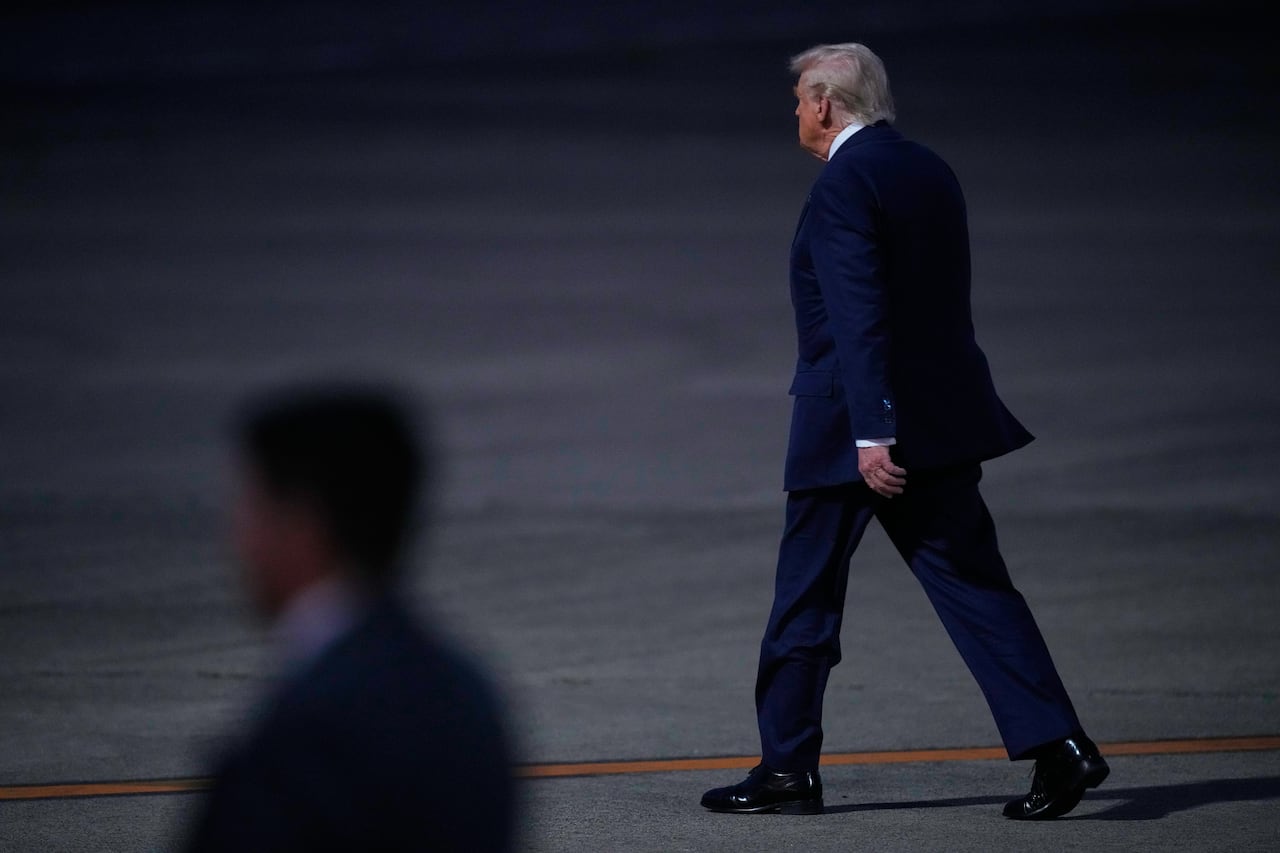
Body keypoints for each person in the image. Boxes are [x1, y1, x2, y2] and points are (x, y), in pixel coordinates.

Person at [700, 43, 1108, 820]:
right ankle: (1062, 745)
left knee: (805, 598)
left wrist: (872, 432)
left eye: (799, 99)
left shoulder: (842, 183)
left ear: (825, 104)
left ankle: (787, 767)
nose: (795, 113)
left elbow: (859, 311)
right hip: (939, 419)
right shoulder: (927, 168)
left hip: (852, 428)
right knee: (977, 588)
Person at [184, 385, 516, 851]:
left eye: (251, 509)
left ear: (302, 525)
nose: (237, 539)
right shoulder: (467, 689)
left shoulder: (305, 734)